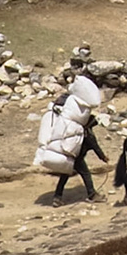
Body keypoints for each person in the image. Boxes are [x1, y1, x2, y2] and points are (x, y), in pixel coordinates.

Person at [35, 73, 105, 203]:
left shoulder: (74, 126)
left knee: (65, 175)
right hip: (73, 154)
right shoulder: (84, 131)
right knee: (85, 174)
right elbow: (94, 145)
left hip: (67, 151)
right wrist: (103, 157)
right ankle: (92, 195)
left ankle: (57, 197)